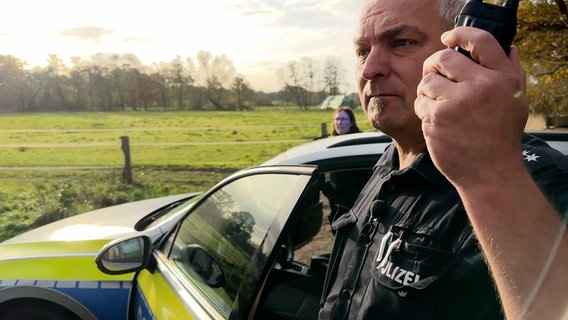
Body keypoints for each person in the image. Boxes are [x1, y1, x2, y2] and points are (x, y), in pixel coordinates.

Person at [318, 0, 568, 320]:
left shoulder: (537, 184)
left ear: (467, 53)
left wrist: (492, 173)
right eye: (363, 51)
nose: (370, 69)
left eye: (401, 43)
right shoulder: (390, 158)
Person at [323, 106, 370, 223]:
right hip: (337, 199)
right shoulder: (330, 143)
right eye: (337, 119)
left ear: (351, 122)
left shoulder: (360, 141)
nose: (339, 123)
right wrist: (328, 191)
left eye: (343, 119)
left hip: (360, 198)